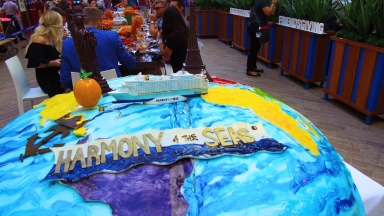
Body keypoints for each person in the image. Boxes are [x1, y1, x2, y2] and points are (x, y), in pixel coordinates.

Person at [60, 7, 136, 90]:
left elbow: (65, 80)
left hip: (84, 93)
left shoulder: (66, 44)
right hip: (113, 89)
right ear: (100, 22)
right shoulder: (111, 36)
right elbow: (131, 64)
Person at [25, 10, 65, 97]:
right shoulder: (40, 40)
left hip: (53, 73)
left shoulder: (50, 37)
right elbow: (35, 64)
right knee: (70, 80)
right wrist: (52, 63)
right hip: (47, 79)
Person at [246, 0, 277, 77]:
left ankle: (253, 67)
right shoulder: (262, 0)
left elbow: (271, 12)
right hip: (256, 27)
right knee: (254, 48)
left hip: (254, 26)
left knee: (256, 47)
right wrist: (273, 3)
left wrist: (274, 5)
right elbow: (268, 12)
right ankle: (249, 70)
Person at [157, 6, 188, 72]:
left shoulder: (173, 36)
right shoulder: (184, 30)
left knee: (156, 69)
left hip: (177, 68)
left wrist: (159, 40)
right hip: (185, 64)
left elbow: (166, 55)